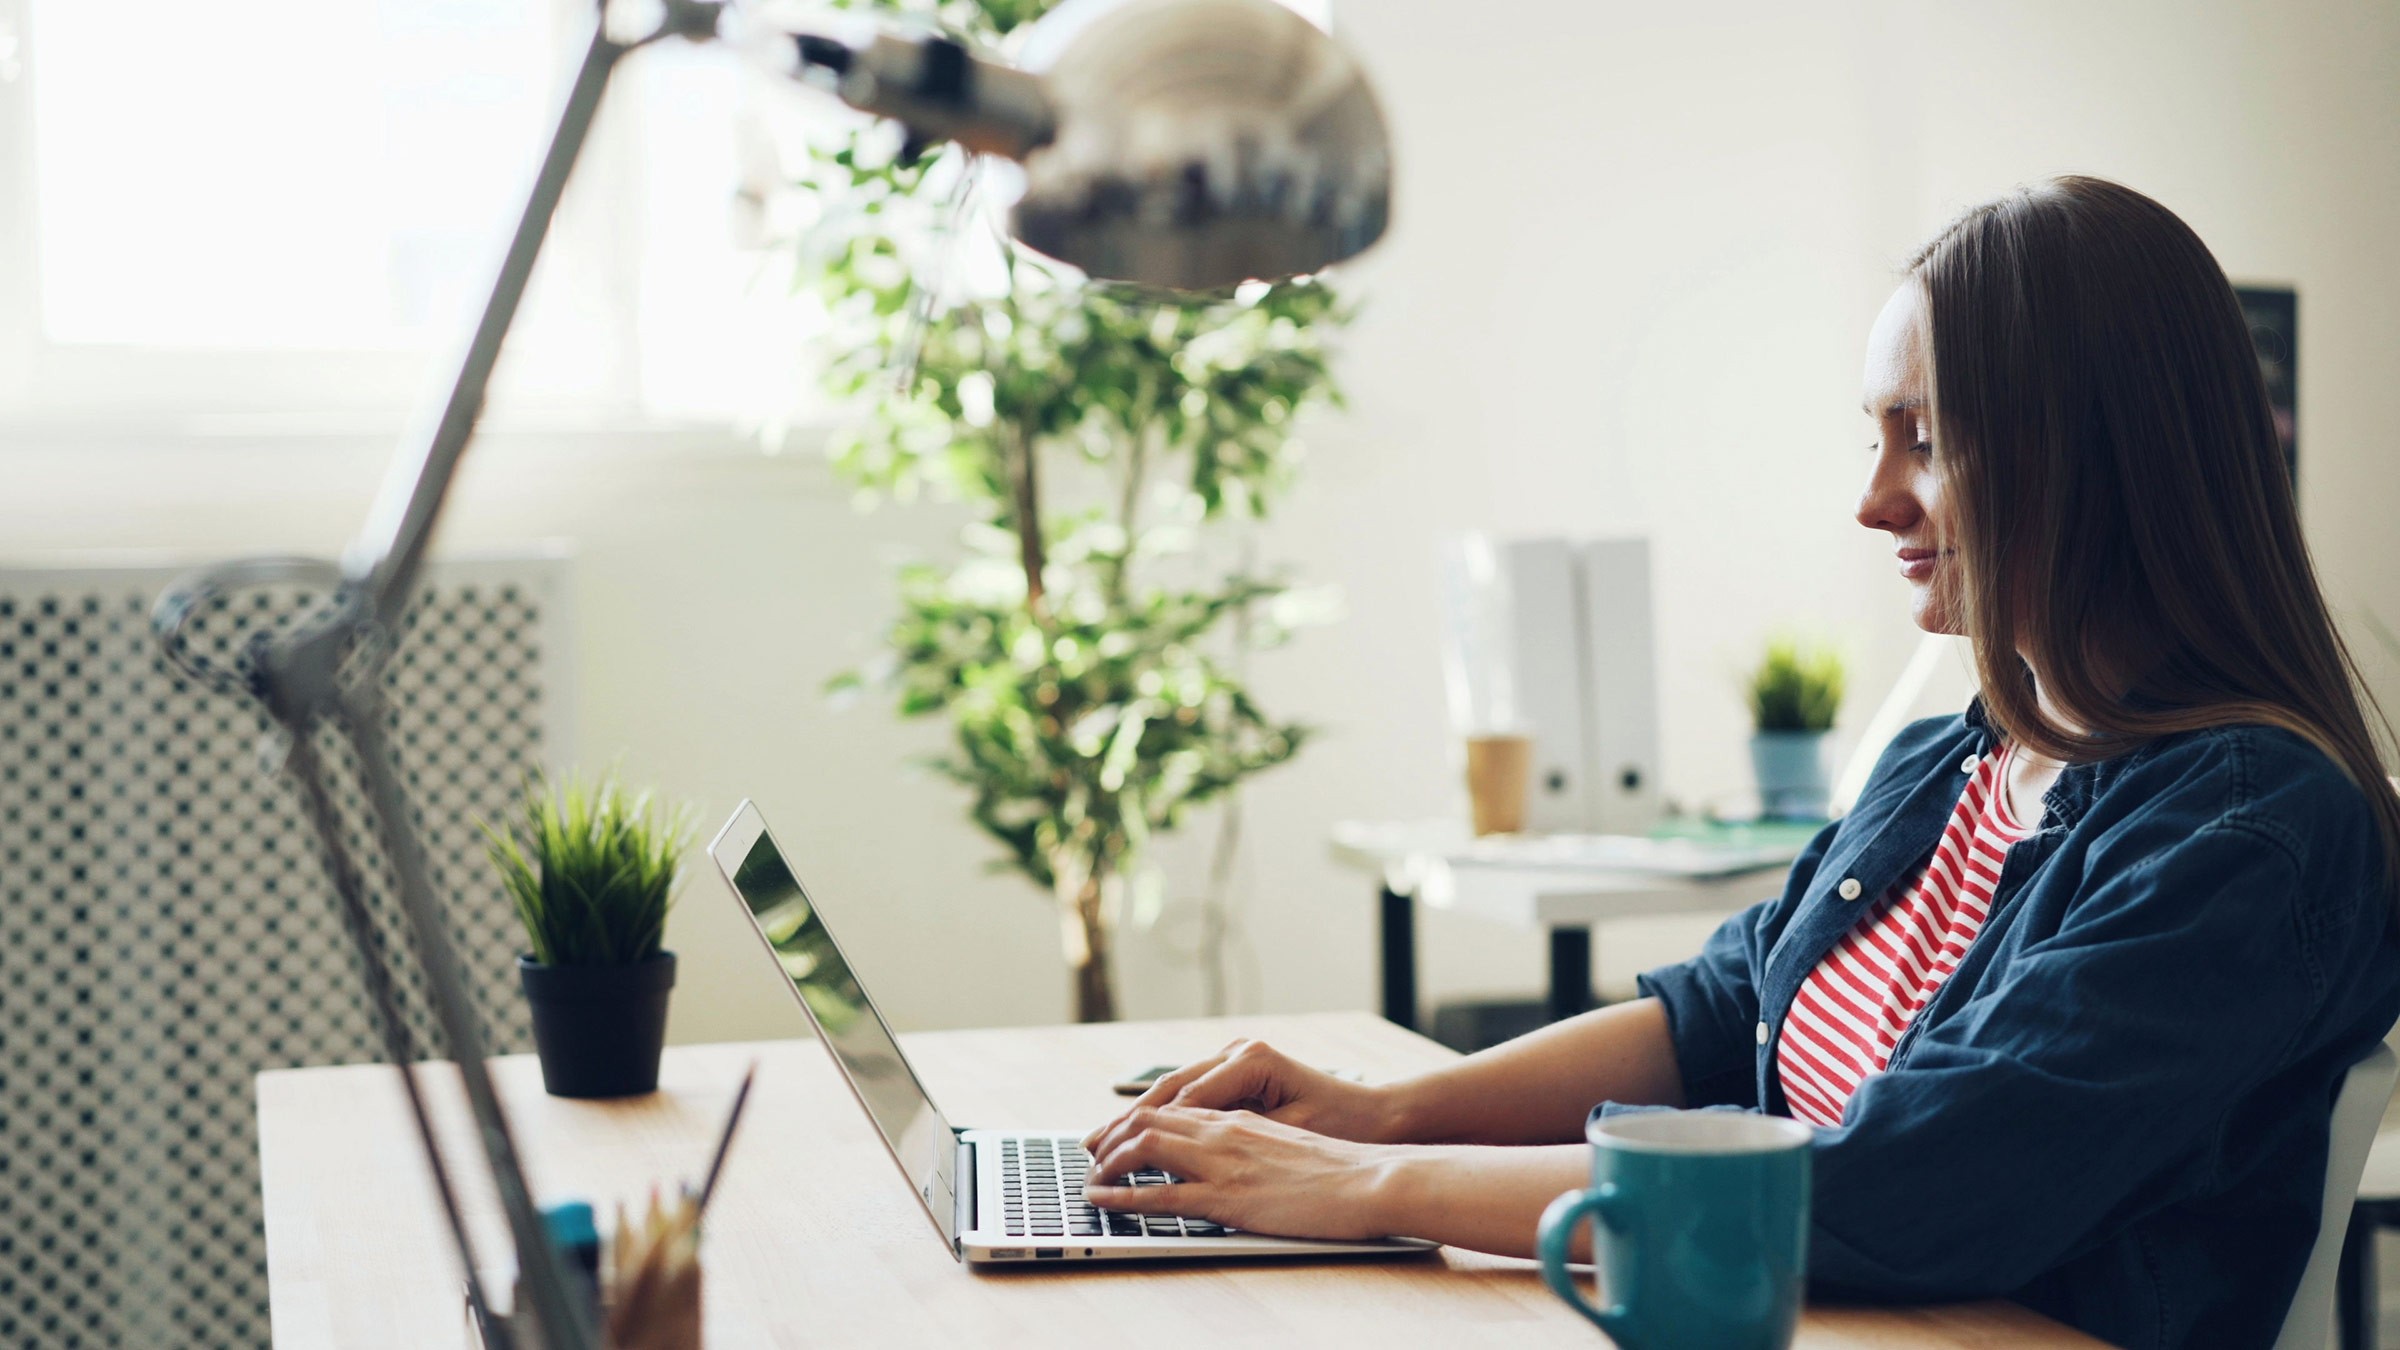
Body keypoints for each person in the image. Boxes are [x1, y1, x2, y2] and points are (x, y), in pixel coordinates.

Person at [1078, 176, 2400, 1350]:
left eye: (1927, 441)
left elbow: (1901, 1188)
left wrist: (1370, 1190)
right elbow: (1720, 1013)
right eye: (1876, 435)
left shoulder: (2250, 835)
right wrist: (1381, 1113)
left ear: (2095, 456)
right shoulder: (1953, 763)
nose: (1875, 498)